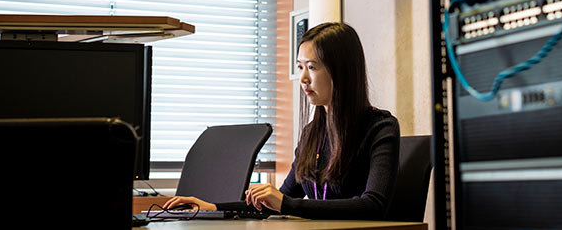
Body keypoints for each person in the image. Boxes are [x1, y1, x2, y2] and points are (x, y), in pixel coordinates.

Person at [164, 22, 401, 220]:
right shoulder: (313, 133)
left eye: (312, 67)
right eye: (300, 67)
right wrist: (212, 207)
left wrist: (286, 204)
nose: (303, 78)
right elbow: (276, 201)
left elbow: (373, 205)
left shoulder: (380, 127)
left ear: (342, 72)